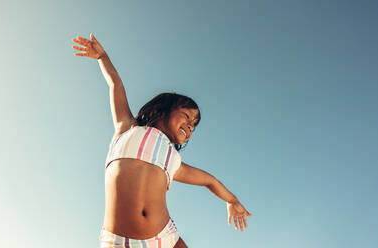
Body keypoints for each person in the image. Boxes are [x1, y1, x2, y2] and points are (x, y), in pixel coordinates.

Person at [72, 33, 252, 248]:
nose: (189, 125)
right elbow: (116, 86)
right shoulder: (127, 128)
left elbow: (209, 180)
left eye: (194, 124)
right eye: (186, 116)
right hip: (119, 242)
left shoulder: (172, 160)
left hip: (164, 237)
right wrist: (103, 57)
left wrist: (232, 201)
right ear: (162, 111)